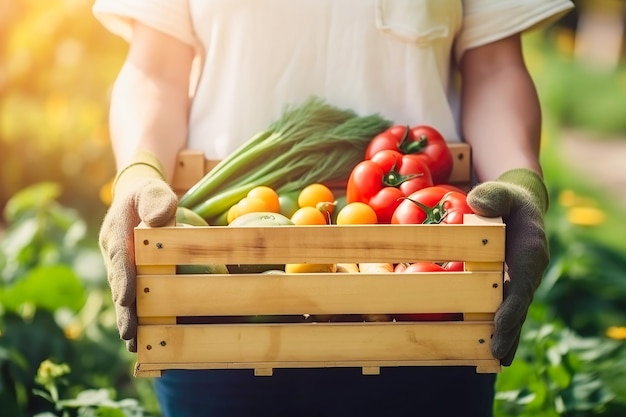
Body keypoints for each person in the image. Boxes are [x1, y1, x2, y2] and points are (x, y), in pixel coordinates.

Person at [94, 1, 574, 416]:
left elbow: (495, 67)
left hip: (427, 300)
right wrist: (137, 170)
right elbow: (154, 69)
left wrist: (520, 180)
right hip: (216, 311)